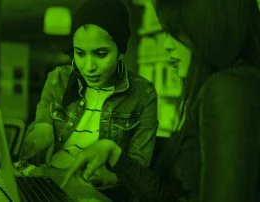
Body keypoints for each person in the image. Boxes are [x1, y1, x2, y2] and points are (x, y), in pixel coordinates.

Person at [63, 0, 260, 201]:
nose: (167, 46)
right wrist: (114, 154)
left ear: (209, 29)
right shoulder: (230, 86)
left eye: (175, 34)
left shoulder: (228, 88)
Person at [19, 0, 159, 200]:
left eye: (101, 54)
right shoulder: (58, 79)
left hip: (97, 191)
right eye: (80, 53)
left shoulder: (143, 94)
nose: (88, 67)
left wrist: (98, 176)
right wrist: (42, 127)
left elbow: (137, 167)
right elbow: (42, 122)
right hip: (47, 181)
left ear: (121, 51)